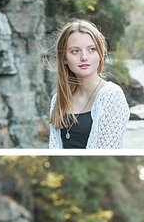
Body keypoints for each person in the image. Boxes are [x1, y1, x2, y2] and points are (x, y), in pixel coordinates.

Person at [47, 20, 130, 149]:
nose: (84, 57)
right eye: (75, 51)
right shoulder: (57, 100)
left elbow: (107, 151)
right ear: (64, 58)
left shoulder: (112, 95)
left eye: (91, 49)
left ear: (100, 54)